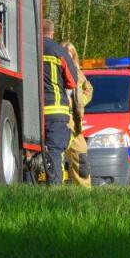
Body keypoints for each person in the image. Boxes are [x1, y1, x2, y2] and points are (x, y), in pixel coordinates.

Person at [42, 19, 77, 186]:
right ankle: (54, 188)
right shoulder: (59, 51)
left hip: (32, 110)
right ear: (52, 33)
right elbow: (72, 81)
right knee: (55, 151)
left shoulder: (28, 48)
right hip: (55, 110)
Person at [62, 42, 93, 188]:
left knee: (81, 159)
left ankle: (85, 193)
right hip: (61, 120)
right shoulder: (56, 71)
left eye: (71, 53)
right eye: (65, 52)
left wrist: (81, 102)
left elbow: (89, 89)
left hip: (76, 124)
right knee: (57, 158)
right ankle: (56, 190)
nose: (68, 55)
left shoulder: (78, 73)